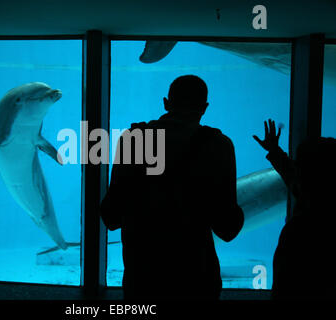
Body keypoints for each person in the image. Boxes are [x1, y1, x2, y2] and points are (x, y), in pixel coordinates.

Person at [100, 75, 244, 299]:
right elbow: (228, 228)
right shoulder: (219, 145)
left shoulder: (134, 140)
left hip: (144, 273)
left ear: (166, 103)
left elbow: (111, 216)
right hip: (196, 275)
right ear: (205, 108)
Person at [254, 119, 336, 299]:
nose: (296, 170)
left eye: (299, 165)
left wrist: (275, 151)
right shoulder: (319, 199)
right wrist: (274, 151)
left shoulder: (300, 228)